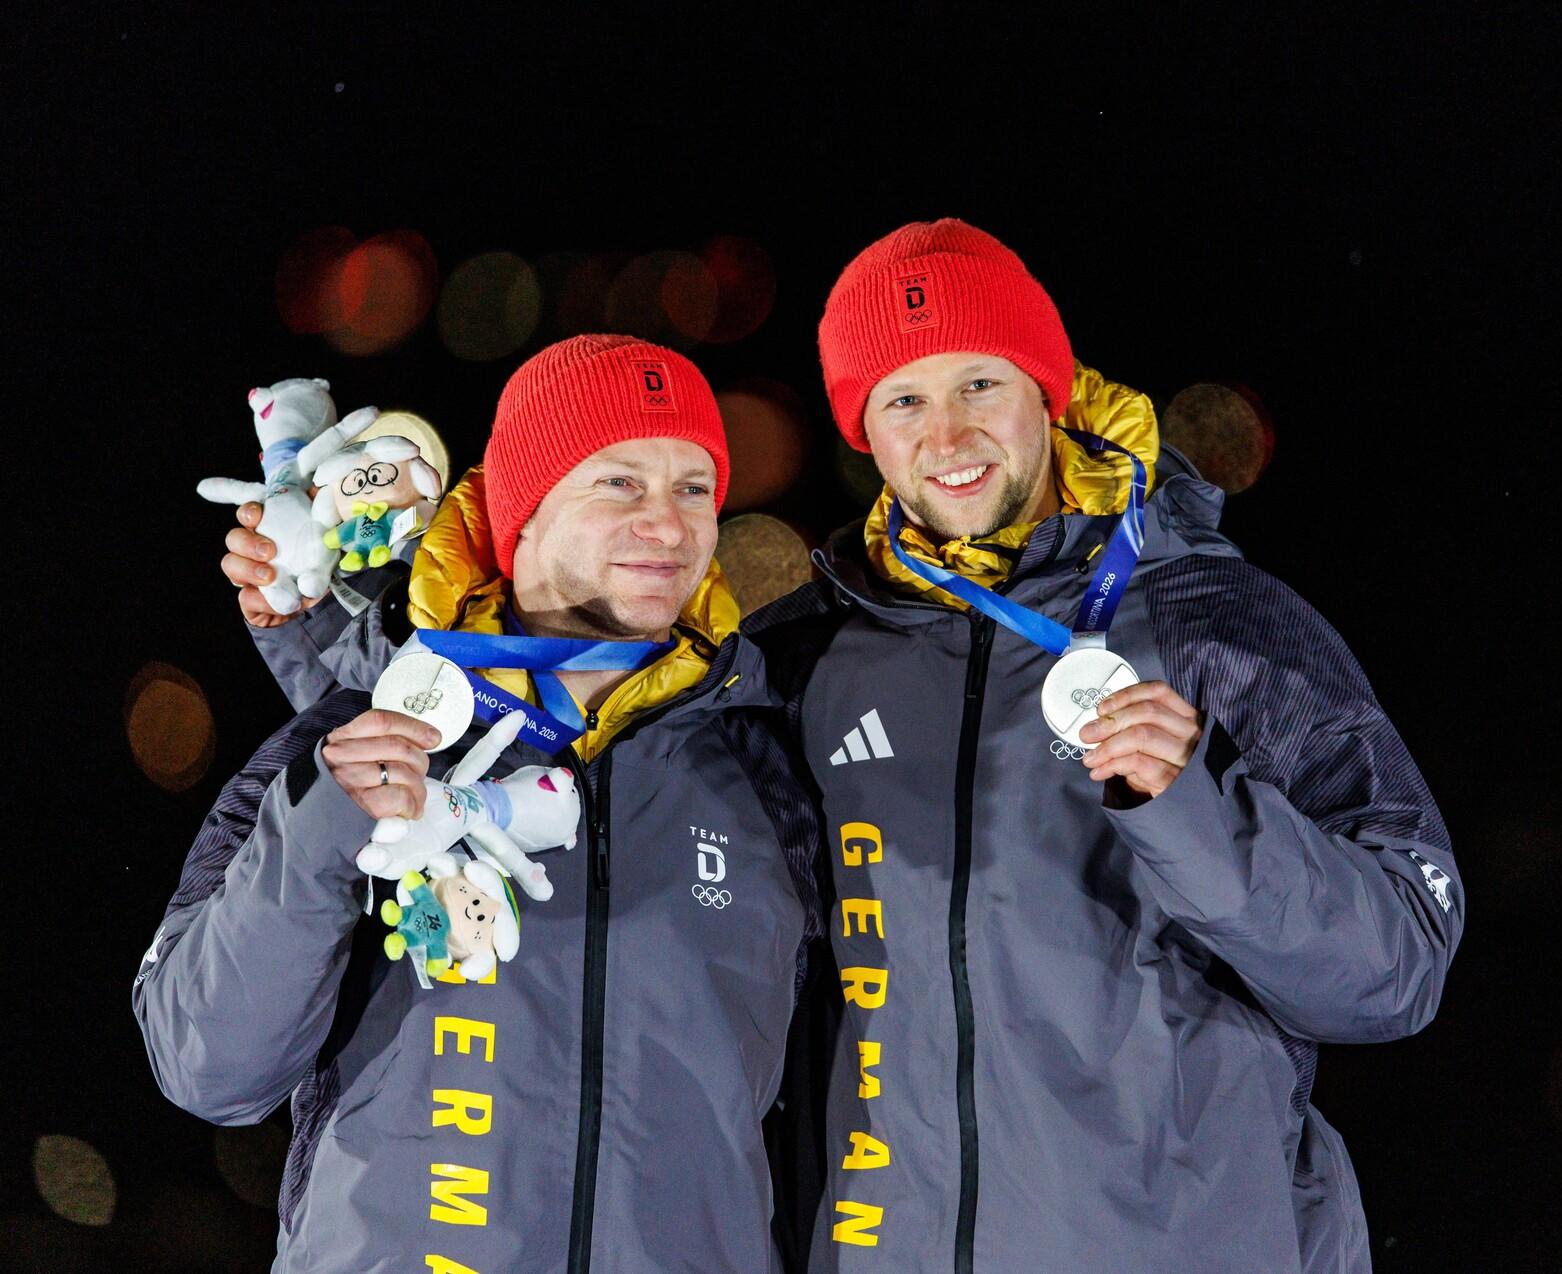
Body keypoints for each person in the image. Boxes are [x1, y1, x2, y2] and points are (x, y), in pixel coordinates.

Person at [746, 219, 1464, 1272]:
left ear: (1049, 391)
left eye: (980, 384)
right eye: (904, 399)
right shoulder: (820, 658)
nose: (947, 436)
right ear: (867, 432)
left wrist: (1200, 811)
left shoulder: (1213, 619)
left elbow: (1398, 964)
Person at [135, 336, 822, 1273]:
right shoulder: (346, 742)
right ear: (522, 515)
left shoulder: (765, 763)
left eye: (693, 488)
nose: (668, 525)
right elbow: (208, 1068)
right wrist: (323, 829)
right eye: (619, 483)